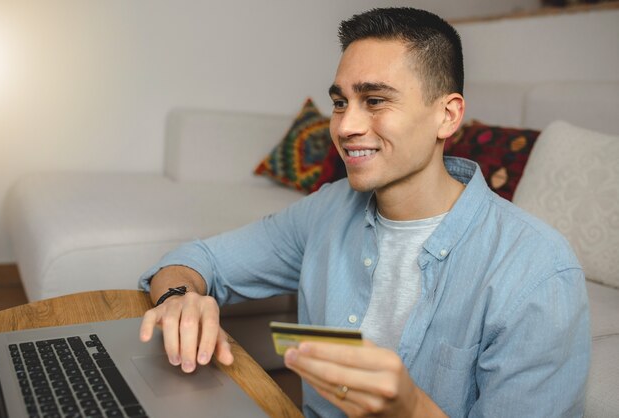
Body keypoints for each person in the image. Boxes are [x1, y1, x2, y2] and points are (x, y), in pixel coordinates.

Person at [138, 7, 590, 418]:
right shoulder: (327, 210)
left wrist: (411, 409)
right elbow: (200, 259)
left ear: (448, 116)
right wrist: (179, 298)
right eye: (340, 102)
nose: (346, 126)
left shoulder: (538, 271)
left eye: (375, 100)